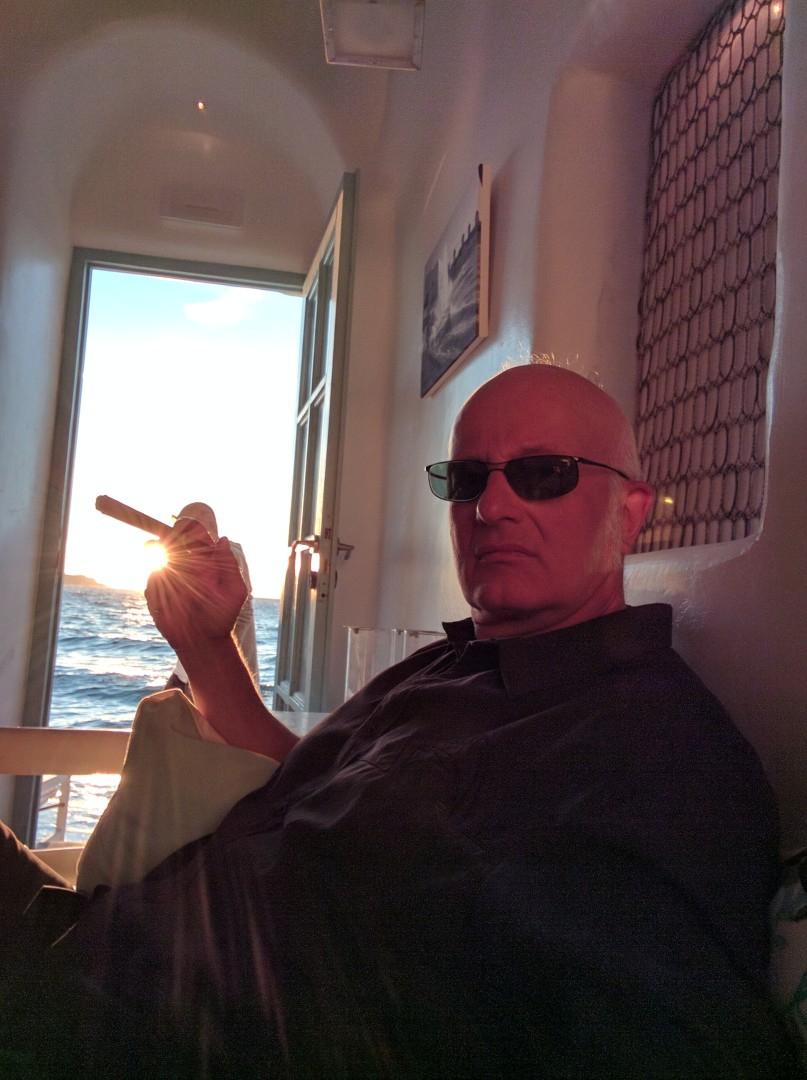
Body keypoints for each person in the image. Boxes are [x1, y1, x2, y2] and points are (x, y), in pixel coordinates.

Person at [0, 364, 801, 1077]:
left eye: (541, 474)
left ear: (628, 512)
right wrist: (207, 647)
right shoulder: (447, 667)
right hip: (88, 944)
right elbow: (301, 785)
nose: (491, 505)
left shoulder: (654, 753)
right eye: (467, 479)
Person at [163, 501, 260, 696]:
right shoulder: (201, 573)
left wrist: (177, 682)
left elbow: (207, 629)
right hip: (211, 692)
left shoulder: (230, 558)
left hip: (230, 697)